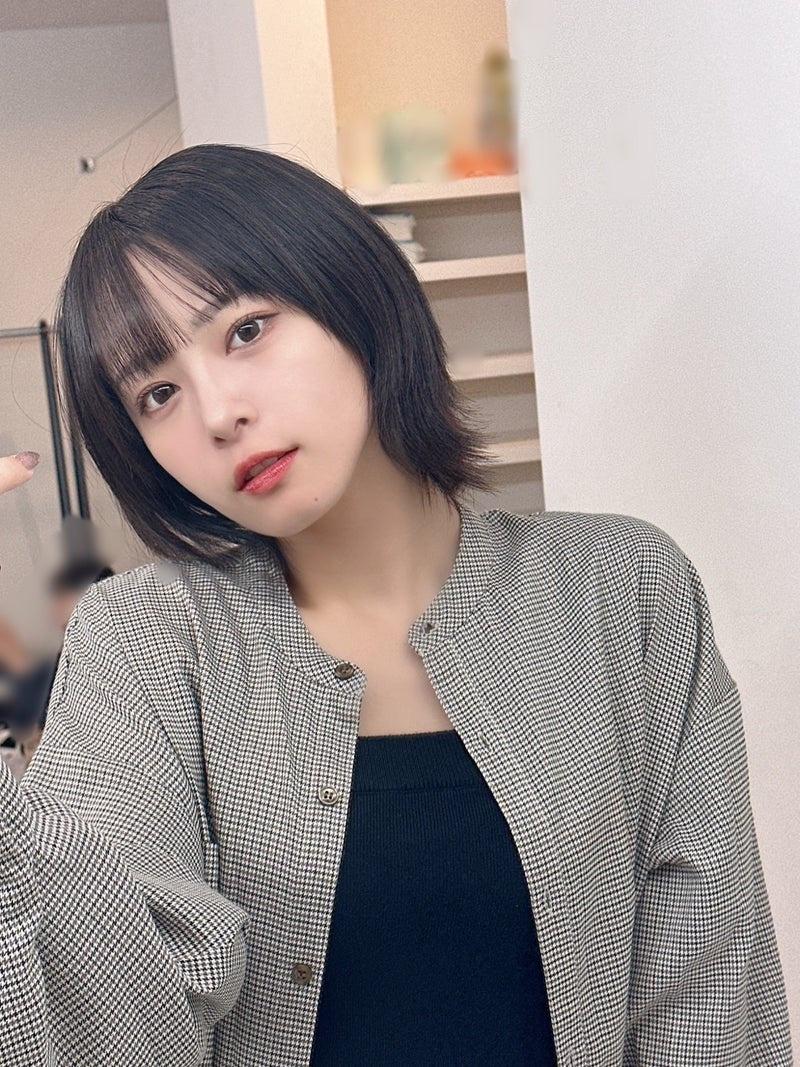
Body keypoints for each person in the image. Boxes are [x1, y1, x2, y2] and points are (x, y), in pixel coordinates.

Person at [0, 145, 792, 1066]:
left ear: (352, 293)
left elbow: (707, 986)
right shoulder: (142, 639)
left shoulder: (624, 588)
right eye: (158, 393)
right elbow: (103, 999)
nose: (217, 414)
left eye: (246, 331)